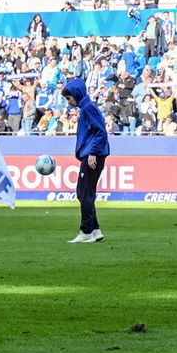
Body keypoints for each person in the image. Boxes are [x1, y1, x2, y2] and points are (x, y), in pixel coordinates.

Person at [62, 77, 110, 243]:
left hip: (92, 155)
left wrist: (93, 153)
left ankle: (86, 231)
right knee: (85, 192)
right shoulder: (86, 107)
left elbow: (101, 132)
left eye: (69, 98)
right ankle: (95, 230)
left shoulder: (88, 107)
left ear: (77, 94)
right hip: (92, 153)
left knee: (84, 193)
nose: (69, 102)